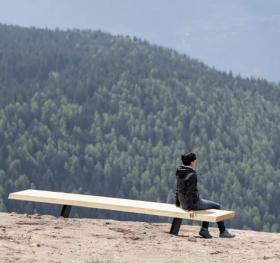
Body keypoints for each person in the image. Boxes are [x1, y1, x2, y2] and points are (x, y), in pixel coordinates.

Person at [175, 152, 235, 238]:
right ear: (192, 162)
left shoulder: (179, 171)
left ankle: (205, 230)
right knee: (216, 206)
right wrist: (189, 209)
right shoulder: (192, 175)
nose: (196, 163)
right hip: (192, 204)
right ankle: (222, 231)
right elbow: (189, 193)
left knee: (206, 205)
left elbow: (178, 189)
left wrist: (178, 203)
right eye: (195, 161)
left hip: (183, 202)